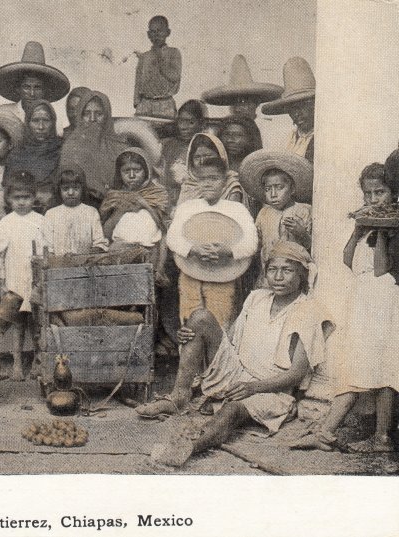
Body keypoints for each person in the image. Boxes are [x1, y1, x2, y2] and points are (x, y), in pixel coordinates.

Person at [149, 242, 330, 466]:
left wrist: (253, 388)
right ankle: (179, 397)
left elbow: (296, 374)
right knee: (200, 318)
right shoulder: (257, 298)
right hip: (238, 373)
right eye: (273, 270)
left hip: (271, 390)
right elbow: (231, 339)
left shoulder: (308, 311)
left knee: (232, 410)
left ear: (302, 274)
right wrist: (192, 335)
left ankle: (189, 447)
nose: (279, 277)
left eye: (287, 270)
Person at [291, 164, 398, 453]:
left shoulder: (392, 228)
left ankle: (380, 437)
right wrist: (359, 228)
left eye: (381, 192)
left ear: (393, 193)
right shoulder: (368, 224)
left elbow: (381, 270)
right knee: (364, 363)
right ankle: (345, 431)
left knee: (383, 366)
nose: (374, 199)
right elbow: (348, 260)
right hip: (363, 297)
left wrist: (382, 230)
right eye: (368, 193)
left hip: (385, 296)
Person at [165, 156, 258, 331]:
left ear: (224, 182)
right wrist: (193, 249)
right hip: (190, 272)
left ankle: (218, 357)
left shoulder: (236, 209)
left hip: (224, 275)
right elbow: (173, 237)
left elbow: (251, 242)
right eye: (203, 179)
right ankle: (190, 356)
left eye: (214, 179)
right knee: (189, 321)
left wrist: (228, 251)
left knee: (220, 321)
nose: (208, 184)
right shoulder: (188, 207)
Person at [0, 173, 47, 381]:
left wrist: (42, 279)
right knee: (17, 323)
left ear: (34, 197)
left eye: (26, 197)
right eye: (17, 197)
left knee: (37, 321)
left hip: (34, 278)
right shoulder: (5, 223)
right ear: (9, 199)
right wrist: (1, 281)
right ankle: (16, 363)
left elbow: (46, 251)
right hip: (15, 277)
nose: (22, 201)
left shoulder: (41, 221)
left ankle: (38, 361)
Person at [240, 149, 313, 285]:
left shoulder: (303, 210)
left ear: (292, 189)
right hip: (269, 273)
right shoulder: (264, 213)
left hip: (294, 273)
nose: (273, 194)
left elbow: (312, 247)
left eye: (279, 187)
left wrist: (301, 233)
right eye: (268, 189)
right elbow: (257, 243)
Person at [100, 148, 169, 282]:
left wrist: (144, 204)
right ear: (119, 173)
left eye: (137, 170)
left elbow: (165, 230)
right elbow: (105, 234)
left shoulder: (157, 195)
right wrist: (121, 210)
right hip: (119, 253)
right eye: (126, 171)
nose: (131, 175)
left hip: (149, 253)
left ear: (147, 171)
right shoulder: (114, 197)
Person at [59, 90, 129, 206]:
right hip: (81, 205)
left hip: (116, 204)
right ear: (80, 116)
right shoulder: (71, 147)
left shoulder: (119, 146)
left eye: (99, 114)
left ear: (106, 116)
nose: (92, 119)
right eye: (87, 113)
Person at [0, 40, 71, 124]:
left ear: (44, 90)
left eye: (37, 87)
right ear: (18, 89)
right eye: (26, 87)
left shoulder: (52, 118)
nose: (32, 93)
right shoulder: (5, 113)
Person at [5, 99, 63, 212]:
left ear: (53, 122)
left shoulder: (62, 149)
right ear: (27, 123)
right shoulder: (16, 154)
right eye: (35, 120)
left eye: (46, 120)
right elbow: (8, 191)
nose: (41, 127)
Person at [44, 164, 108, 256]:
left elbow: (99, 242)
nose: (71, 193)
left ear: (82, 189)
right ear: (59, 190)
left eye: (75, 188)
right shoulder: (51, 214)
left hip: (85, 265)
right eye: (66, 189)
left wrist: (85, 255)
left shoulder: (91, 212)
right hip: (58, 265)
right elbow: (47, 246)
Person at [261, 57, 315, 162]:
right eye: (292, 109)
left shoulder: (324, 138)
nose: (296, 114)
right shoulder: (287, 138)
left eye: (302, 106)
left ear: (314, 106)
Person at [201, 55, 283, 121]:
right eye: (235, 102)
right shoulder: (225, 130)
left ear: (256, 103)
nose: (239, 108)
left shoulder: (269, 130)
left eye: (244, 101)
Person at [176, 132, 246, 208]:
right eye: (197, 157)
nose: (202, 161)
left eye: (208, 155)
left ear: (219, 156)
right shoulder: (188, 184)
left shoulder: (231, 184)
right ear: (190, 160)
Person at [133, 15, 182, 119]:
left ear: (168, 32)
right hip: (145, 105)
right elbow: (138, 81)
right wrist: (137, 102)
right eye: (152, 32)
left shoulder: (174, 53)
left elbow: (174, 76)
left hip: (165, 104)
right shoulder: (144, 56)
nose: (156, 35)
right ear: (148, 35)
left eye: (160, 31)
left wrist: (159, 58)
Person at [160, 100, 205, 208]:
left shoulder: (206, 147)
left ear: (201, 123)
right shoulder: (168, 145)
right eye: (180, 121)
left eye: (190, 122)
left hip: (195, 202)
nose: (183, 127)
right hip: (167, 201)